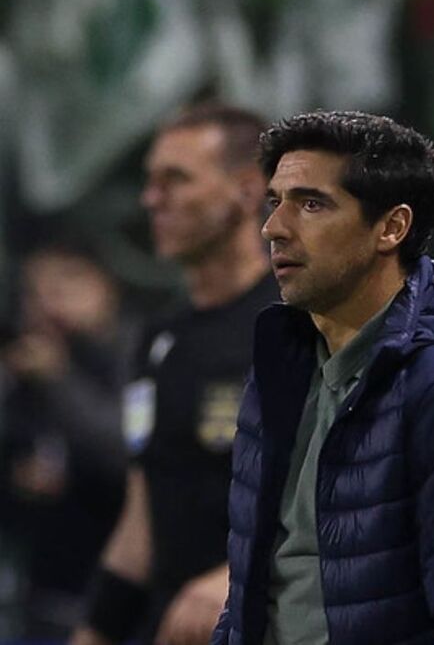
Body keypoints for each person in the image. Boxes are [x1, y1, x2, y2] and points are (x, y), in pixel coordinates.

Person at [211, 111, 434, 644]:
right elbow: (257, 591)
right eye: (275, 202)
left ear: (392, 228)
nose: (273, 227)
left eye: (311, 204)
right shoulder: (283, 359)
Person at [71, 103, 278, 645]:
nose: (151, 199)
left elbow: (345, 499)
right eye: (150, 181)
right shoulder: (160, 339)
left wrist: (241, 575)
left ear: (247, 190)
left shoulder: (294, 326)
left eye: (176, 179)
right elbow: (141, 521)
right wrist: (93, 632)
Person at [0, 244, 128, 638]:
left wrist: (59, 380)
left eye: (62, 288)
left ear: (104, 286)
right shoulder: (24, 369)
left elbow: (123, 453)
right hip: (40, 599)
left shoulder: (137, 352)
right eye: (34, 294)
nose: (48, 306)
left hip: (122, 602)